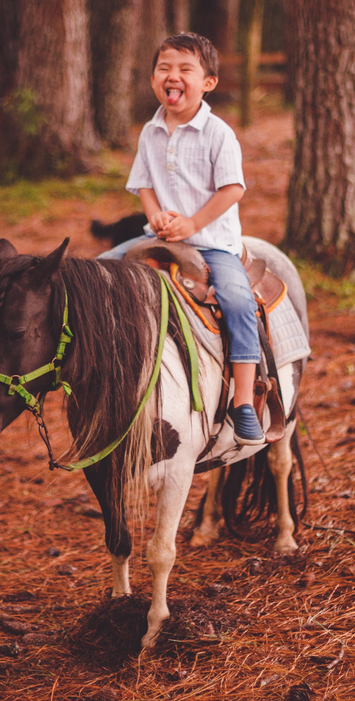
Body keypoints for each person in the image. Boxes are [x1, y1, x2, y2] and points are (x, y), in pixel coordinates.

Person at [98, 32, 263, 446]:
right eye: (164, 68)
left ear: (208, 82)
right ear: (154, 78)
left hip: (210, 243)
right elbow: (144, 185)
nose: (173, 76)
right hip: (162, 238)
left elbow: (233, 189)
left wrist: (192, 224)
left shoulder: (218, 133)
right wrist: (154, 218)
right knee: (98, 272)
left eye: (185, 69)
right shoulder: (150, 131)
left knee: (239, 302)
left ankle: (243, 400)